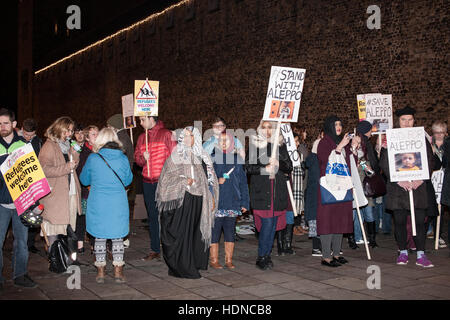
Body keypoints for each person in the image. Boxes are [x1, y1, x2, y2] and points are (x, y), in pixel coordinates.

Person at [156, 126, 219, 279]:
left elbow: (210, 179)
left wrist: (211, 195)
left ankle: (195, 262)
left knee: (194, 233)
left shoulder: (202, 156)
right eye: (185, 136)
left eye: (191, 136)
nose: (188, 139)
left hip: (199, 199)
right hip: (183, 199)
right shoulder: (175, 156)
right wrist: (183, 181)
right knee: (183, 234)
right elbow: (165, 180)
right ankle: (183, 267)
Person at [379, 106, 436, 267]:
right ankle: (402, 252)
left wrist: (421, 179)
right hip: (398, 189)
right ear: (399, 121)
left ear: (414, 121)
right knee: (400, 221)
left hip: (418, 187)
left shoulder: (420, 137)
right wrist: (398, 180)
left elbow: (429, 160)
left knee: (419, 222)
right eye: (404, 120)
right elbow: (385, 162)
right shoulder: (391, 138)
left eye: (410, 120)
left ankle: (421, 254)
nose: (407, 123)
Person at [80, 127, 132, 283]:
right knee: (117, 237)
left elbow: (84, 180)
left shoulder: (93, 158)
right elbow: (128, 180)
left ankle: (101, 272)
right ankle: (118, 271)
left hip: (98, 203)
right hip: (117, 203)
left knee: (100, 236)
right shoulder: (122, 158)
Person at [246, 120, 293, 270]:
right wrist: (264, 167)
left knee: (272, 225)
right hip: (262, 191)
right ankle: (262, 256)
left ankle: (267, 254)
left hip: (276, 191)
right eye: (264, 127)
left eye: (270, 128)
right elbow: (248, 167)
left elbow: (289, 166)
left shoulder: (280, 146)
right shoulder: (255, 146)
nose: (267, 131)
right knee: (266, 224)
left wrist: (278, 163)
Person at [0, 108, 37, 289]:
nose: (2, 127)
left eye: (6, 123)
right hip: (1, 203)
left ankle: (20, 274)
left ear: (14, 125)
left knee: (21, 241)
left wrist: (35, 201)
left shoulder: (23, 144)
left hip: (21, 202)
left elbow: (33, 173)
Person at [316, 115, 356, 267]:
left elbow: (349, 163)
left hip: (342, 186)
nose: (338, 127)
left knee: (340, 220)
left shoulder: (342, 143)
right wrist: (340, 148)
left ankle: (337, 253)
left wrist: (353, 149)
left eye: (340, 124)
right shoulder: (323, 143)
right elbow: (325, 162)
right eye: (335, 124)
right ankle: (326, 256)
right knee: (328, 221)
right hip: (328, 188)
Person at [135, 116, 176, 261]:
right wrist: (142, 158)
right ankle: (155, 249)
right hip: (147, 182)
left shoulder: (166, 134)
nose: (140, 123)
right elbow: (138, 161)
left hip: (163, 181)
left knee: (167, 216)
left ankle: (170, 248)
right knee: (152, 216)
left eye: (142, 119)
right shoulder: (141, 137)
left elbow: (174, 158)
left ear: (151, 118)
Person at [39, 117, 82, 251]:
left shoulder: (68, 145)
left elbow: (73, 166)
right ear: (59, 129)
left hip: (70, 192)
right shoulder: (49, 145)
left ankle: (66, 258)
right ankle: (54, 259)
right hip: (56, 196)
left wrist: (75, 155)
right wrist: (66, 167)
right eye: (67, 130)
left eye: (71, 131)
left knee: (67, 228)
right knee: (54, 229)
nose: (70, 134)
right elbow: (44, 169)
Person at [210, 132, 249, 269]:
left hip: (232, 201)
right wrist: (215, 181)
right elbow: (205, 179)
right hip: (218, 201)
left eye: (227, 140)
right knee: (215, 231)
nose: (224, 142)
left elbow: (243, 183)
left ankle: (228, 259)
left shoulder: (237, 160)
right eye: (221, 140)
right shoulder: (212, 159)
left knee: (230, 231)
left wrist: (245, 202)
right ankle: (214, 259)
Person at [351, 120, 381, 249]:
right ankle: (352, 239)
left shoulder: (362, 155)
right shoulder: (347, 154)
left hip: (363, 186)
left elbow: (368, 170)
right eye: (355, 141)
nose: (356, 143)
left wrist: (367, 168)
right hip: (352, 186)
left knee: (369, 212)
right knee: (352, 214)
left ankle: (372, 239)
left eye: (358, 142)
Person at [19, 118, 43, 254]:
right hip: (19, 181)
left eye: (31, 135)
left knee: (34, 211)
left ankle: (30, 242)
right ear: (22, 129)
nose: (28, 138)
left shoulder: (37, 141)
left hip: (33, 179)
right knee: (22, 212)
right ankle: (21, 242)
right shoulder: (17, 140)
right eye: (26, 135)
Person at [75, 125, 99, 254]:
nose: (96, 136)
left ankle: (94, 244)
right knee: (82, 217)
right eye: (93, 134)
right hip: (86, 189)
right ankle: (79, 243)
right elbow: (80, 171)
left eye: (97, 133)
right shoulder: (83, 152)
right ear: (87, 138)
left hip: (97, 190)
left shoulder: (100, 150)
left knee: (95, 218)